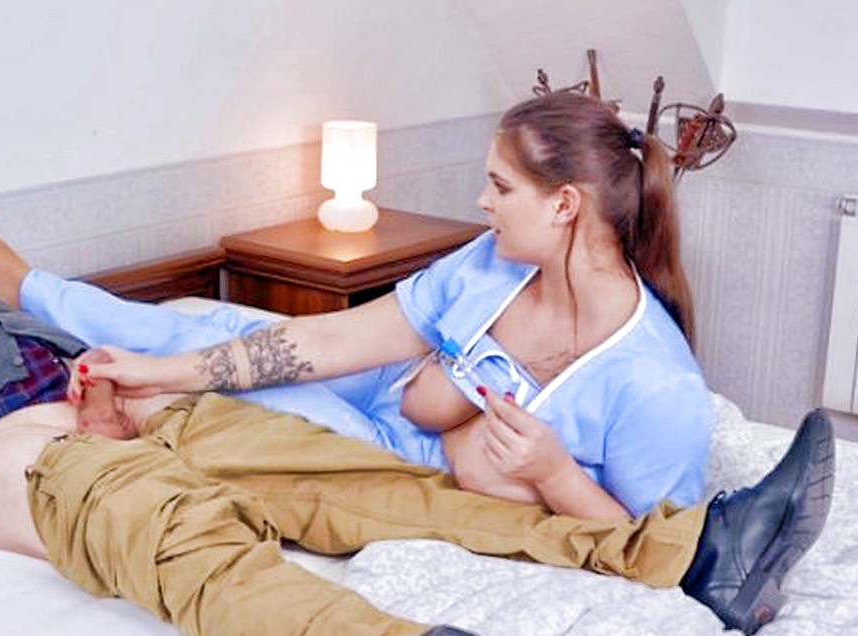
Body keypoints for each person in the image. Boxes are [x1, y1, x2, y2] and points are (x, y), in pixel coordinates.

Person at [0, 142, 833, 636]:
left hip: (128, 414)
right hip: (19, 462)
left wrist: (110, 380)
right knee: (178, 537)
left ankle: (689, 558)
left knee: (365, 483)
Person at [38, 92, 714, 524]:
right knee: (225, 326)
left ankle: (121, 392)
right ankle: (36, 292)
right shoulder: (495, 262)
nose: (482, 203)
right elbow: (332, 342)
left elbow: (650, 547)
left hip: (397, 456)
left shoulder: (657, 384)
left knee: (242, 409)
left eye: (500, 187)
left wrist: (554, 474)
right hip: (389, 384)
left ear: (564, 205)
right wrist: (162, 366)